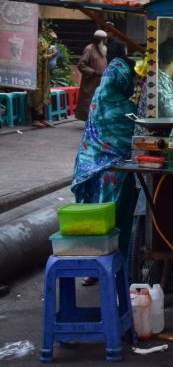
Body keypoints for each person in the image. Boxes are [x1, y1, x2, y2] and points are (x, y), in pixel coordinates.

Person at [71, 47, 138, 283]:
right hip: (114, 176)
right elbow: (134, 139)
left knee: (92, 222)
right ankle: (116, 269)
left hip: (88, 172)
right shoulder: (127, 109)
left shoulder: (97, 99)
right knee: (117, 221)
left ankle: (92, 269)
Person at [75, 29, 109, 121]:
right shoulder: (89, 49)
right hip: (91, 81)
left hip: (101, 82)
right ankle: (89, 121)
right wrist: (93, 72)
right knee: (89, 101)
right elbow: (81, 65)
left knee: (100, 101)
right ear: (100, 40)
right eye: (105, 39)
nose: (106, 41)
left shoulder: (103, 49)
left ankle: (96, 120)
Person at [28, 28, 58, 127]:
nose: (44, 28)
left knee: (44, 93)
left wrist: (54, 40)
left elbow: (46, 50)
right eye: (43, 25)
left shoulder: (41, 39)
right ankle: (35, 119)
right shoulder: (33, 40)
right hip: (36, 71)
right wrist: (51, 55)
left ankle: (42, 118)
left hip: (44, 72)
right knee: (36, 94)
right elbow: (39, 57)